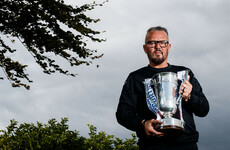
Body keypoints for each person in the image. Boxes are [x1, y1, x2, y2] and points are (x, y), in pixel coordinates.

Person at [116, 26, 209, 150]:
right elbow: (122, 113)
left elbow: (204, 110)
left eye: (163, 43)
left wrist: (189, 97)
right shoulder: (136, 78)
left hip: (186, 144)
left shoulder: (184, 74)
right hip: (152, 145)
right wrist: (143, 124)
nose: (158, 46)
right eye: (152, 43)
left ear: (169, 47)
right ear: (145, 48)